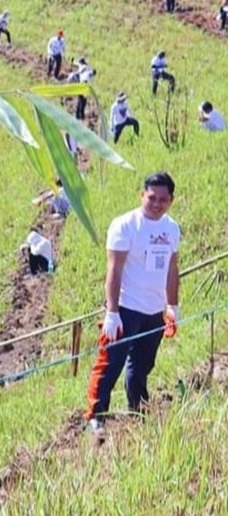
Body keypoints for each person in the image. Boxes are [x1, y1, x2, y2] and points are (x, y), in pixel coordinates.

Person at [86, 172, 180, 435]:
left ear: (171, 200)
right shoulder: (125, 225)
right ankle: (96, 416)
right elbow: (114, 270)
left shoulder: (171, 228)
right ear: (142, 195)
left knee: (142, 365)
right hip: (126, 308)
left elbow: (173, 269)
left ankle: (137, 409)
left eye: (163, 199)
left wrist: (173, 306)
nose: (157, 203)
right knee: (110, 363)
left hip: (154, 311)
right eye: (152, 198)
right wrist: (112, 312)